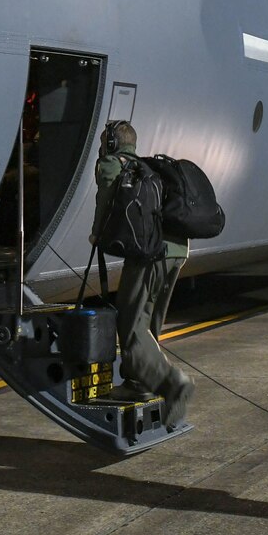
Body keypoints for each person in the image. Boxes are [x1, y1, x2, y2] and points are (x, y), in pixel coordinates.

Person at [93, 121, 194, 425]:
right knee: (148, 322)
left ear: (112, 143)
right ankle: (139, 384)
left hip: (150, 254)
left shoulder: (113, 164)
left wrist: (97, 234)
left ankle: (172, 385)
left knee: (131, 327)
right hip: (176, 252)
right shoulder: (145, 167)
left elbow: (105, 201)